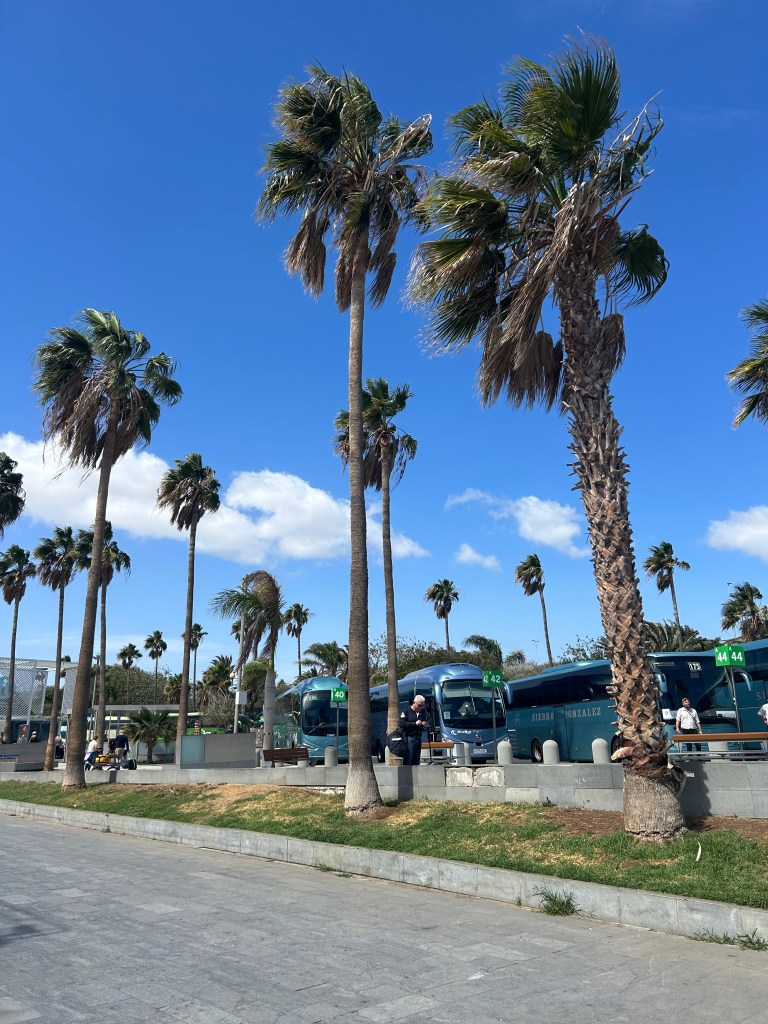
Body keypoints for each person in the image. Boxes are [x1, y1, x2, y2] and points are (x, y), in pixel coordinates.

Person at [399, 695, 430, 765]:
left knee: (416, 761)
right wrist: (414, 723)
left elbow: (423, 726)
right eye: (419, 705)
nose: (420, 707)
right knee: (408, 760)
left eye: (422, 706)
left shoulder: (422, 713)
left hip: (418, 739)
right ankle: (407, 775)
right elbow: (402, 724)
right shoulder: (406, 712)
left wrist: (425, 725)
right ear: (414, 703)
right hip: (409, 738)